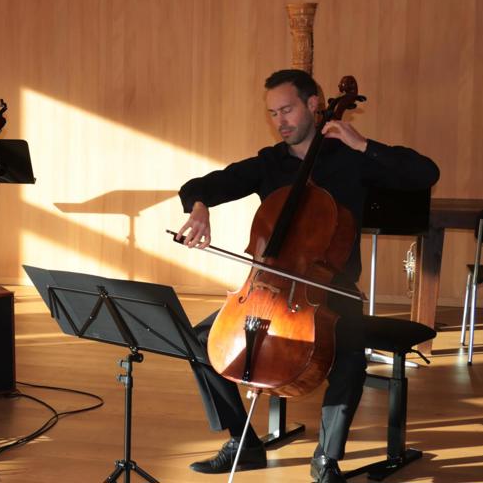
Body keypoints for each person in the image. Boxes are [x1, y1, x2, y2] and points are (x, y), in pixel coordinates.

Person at [174, 69, 439, 483]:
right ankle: (243, 443)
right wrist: (199, 207)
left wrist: (364, 145)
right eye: (273, 113)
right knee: (199, 341)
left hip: (333, 290)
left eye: (287, 109)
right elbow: (202, 184)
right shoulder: (269, 163)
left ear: (314, 105)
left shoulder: (351, 158)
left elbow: (424, 173)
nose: (280, 120)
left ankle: (326, 460)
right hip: (268, 289)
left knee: (349, 359)